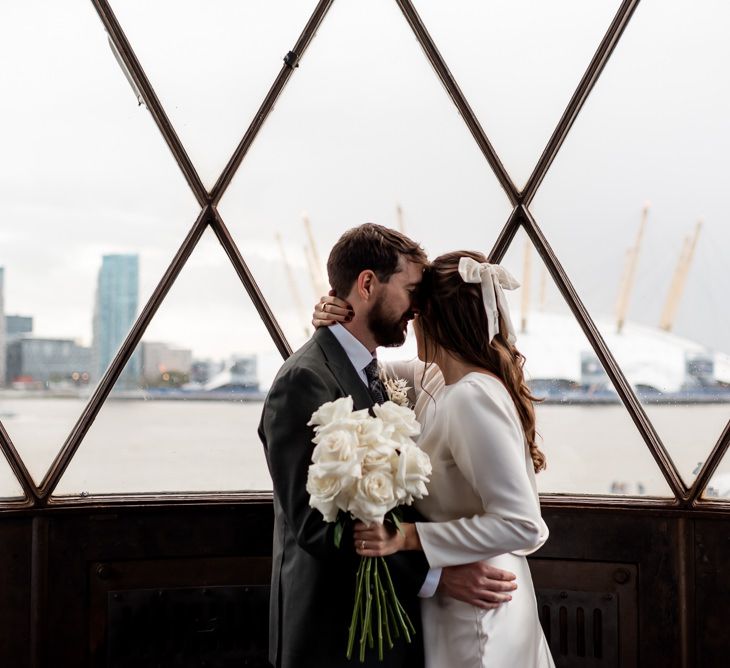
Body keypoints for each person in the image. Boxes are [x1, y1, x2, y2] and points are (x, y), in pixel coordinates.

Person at [260, 225, 518, 668]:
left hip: (387, 631)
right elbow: (315, 527)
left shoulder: (376, 372)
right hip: (333, 637)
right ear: (366, 284)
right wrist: (437, 576)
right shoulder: (305, 380)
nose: (417, 308)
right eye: (410, 290)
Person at [314, 250, 554, 667]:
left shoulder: (471, 398)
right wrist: (334, 320)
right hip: (462, 598)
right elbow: (367, 367)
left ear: (433, 317)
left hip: (482, 606)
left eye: (414, 309)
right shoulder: (435, 378)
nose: (407, 321)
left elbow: (523, 524)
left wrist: (409, 538)